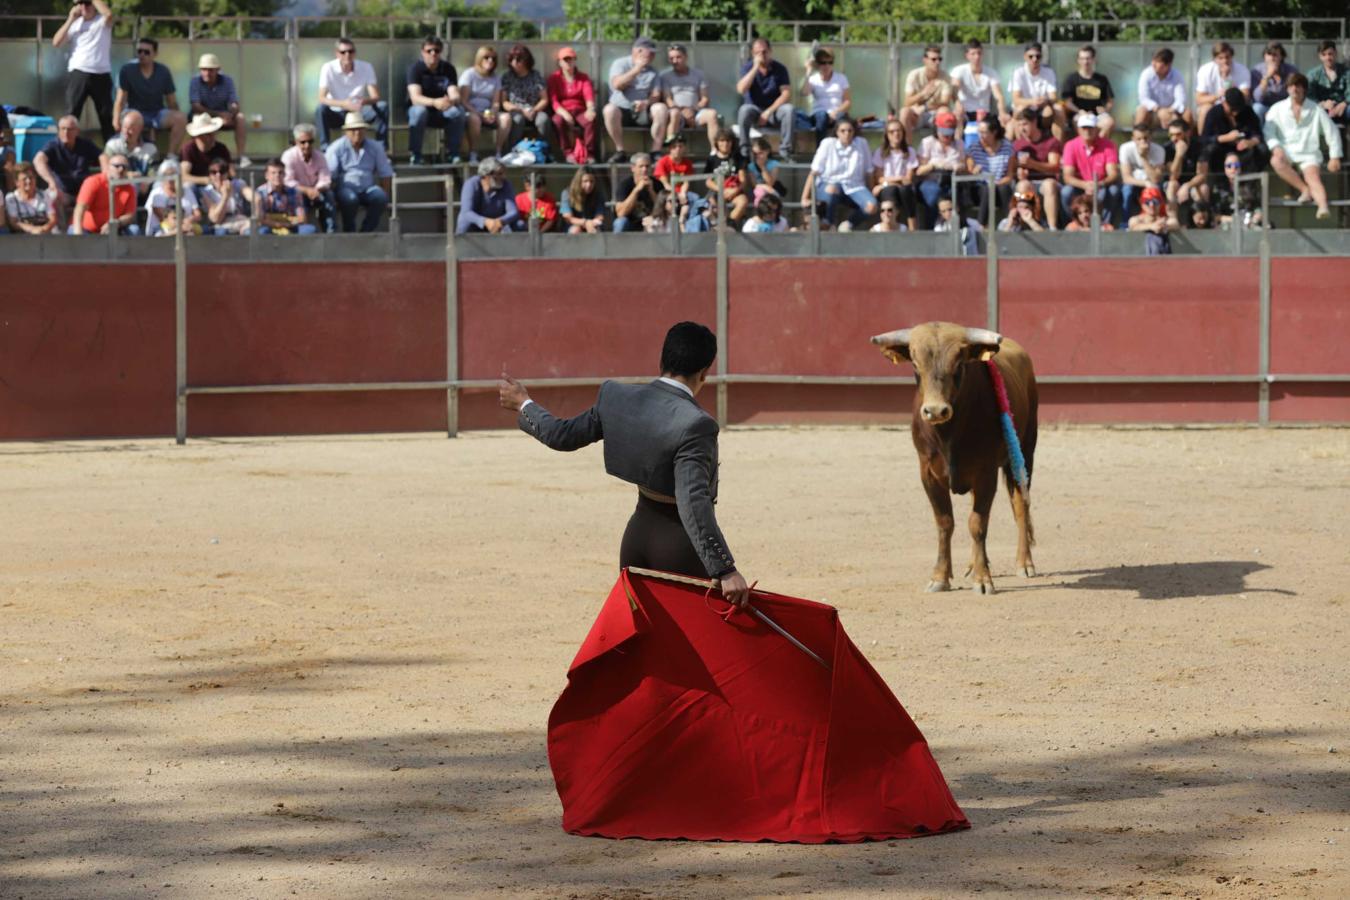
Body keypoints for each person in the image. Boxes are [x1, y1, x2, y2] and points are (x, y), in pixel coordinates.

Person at [498, 321, 750, 606]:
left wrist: (523, 403)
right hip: (678, 549)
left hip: (636, 541)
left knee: (642, 630)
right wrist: (724, 568)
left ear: (662, 360)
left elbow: (562, 435)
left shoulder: (615, 398)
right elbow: (692, 501)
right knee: (695, 632)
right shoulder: (697, 424)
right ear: (704, 372)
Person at [1264, 73, 1344, 220]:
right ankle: (1304, 190)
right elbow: (1269, 131)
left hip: (1309, 153)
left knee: (1312, 177)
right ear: (1287, 88)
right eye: (1291, 86)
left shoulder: (1316, 109)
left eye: (1298, 86)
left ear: (1304, 89)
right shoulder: (1277, 109)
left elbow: (1331, 131)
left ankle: (1323, 207)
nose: (1294, 89)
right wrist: (1276, 147)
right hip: (1286, 152)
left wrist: (1335, 157)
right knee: (1275, 161)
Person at [52, 0, 114, 141]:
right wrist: (70, 19)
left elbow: (109, 14)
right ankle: (65, 146)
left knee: (106, 116)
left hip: (101, 73)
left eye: (87, 3)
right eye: (81, 4)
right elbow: (56, 42)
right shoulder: (75, 24)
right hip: (79, 72)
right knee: (71, 114)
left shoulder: (102, 21)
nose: (84, 7)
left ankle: (110, 149)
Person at [800, 116, 875, 232]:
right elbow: (814, 172)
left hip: (855, 187)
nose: (847, 134)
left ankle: (848, 225)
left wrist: (871, 193)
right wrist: (804, 197)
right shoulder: (827, 144)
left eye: (850, 130)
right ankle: (829, 224)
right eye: (843, 131)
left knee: (871, 206)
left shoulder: (862, 144)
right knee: (832, 188)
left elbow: (869, 172)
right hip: (827, 185)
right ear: (837, 132)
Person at [114, 37, 186, 153]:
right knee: (133, 119)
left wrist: (177, 116)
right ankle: (129, 154)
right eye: (139, 51)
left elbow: (171, 101)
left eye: (146, 52)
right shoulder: (127, 70)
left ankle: (171, 156)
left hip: (157, 113)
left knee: (181, 118)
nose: (142, 55)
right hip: (134, 112)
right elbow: (120, 100)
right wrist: (116, 120)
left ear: (155, 54)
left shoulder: (163, 71)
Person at [324, 111, 393, 233]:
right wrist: (332, 196)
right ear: (346, 131)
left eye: (360, 129)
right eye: (353, 129)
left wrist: (386, 194)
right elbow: (329, 175)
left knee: (381, 197)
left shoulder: (375, 147)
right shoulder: (336, 148)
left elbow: (386, 173)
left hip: (368, 189)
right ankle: (349, 231)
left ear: (365, 130)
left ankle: (366, 231)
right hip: (345, 188)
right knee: (350, 199)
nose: (357, 132)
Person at [603, 37, 669, 162]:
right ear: (638, 51)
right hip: (622, 110)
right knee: (609, 110)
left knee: (661, 108)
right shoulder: (620, 64)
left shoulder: (653, 71)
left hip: (643, 111)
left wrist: (646, 103)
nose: (653, 56)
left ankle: (655, 151)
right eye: (650, 52)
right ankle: (620, 151)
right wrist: (637, 69)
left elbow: (656, 94)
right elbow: (617, 85)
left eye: (654, 53)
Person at [317, 37, 388, 149]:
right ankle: (325, 148)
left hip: (359, 110)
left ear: (355, 53)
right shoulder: (328, 68)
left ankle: (381, 148)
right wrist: (343, 104)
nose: (347, 55)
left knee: (382, 107)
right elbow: (321, 97)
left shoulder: (366, 67)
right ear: (337, 54)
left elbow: (375, 96)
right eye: (343, 52)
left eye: (350, 51)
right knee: (321, 109)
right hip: (337, 111)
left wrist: (362, 102)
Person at [406, 35, 464, 166]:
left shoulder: (448, 69)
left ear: (440, 52)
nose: (433, 53)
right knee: (419, 112)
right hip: (420, 110)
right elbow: (415, 98)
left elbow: (455, 94)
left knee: (458, 112)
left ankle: (453, 153)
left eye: (436, 50)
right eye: (429, 51)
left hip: (442, 111)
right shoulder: (415, 69)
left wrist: (450, 101)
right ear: (423, 52)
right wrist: (435, 102)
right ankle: (416, 155)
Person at [33, 115, 101, 222]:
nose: (66, 132)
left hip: (84, 191)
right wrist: (51, 181)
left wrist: (106, 173)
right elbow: (38, 160)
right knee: (52, 196)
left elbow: (102, 156)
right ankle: (61, 230)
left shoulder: (85, 144)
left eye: (70, 129)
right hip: (63, 192)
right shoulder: (53, 145)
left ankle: (93, 227)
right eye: (62, 129)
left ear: (77, 131)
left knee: (102, 195)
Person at [735, 38, 794, 158]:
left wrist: (768, 112)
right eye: (757, 53)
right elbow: (741, 89)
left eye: (764, 51)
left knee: (789, 109)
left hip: (773, 111)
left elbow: (786, 94)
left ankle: (785, 151)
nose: (762, 55)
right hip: (754, 110)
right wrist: (755, 68)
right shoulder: (748, 68)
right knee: (744, 110)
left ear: (770, 51)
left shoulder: (780, 68)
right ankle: (744, 151)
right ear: (753, 54)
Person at [1060, 112, 1121, 226]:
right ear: (1078, 130)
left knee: (1112, 191)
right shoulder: (1070, 145)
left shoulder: (1108, 145)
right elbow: (1067, 176)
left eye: (1090, 128)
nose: (1087, 131)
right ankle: (1073, 223)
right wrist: (1084, 185)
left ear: (1096, 129)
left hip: (1101, 184)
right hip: (1079, 186)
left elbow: (1113, 173)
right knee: (1066, 192)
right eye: (1084, 128)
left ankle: (1104, 224)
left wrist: (1099, 184)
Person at [190, 54, 251, 168]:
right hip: (204, 116)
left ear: (217, 70)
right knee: (196, 119)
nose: (207, 73)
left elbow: (234, 102)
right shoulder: (195, 81)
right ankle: (198, 155)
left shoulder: (227, 81)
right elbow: (196, 106)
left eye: (210, 70)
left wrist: (231, 113)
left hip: (223, 116)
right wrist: (219, 115)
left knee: (240, 118)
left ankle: (241, 156)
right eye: (204, 69)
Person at [1011, 107, 1062, 229]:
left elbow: (1055, 167)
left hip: (1047, 181)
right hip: (1028, 182)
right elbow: (1012, 169)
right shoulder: (1017, 144)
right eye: (1019, 125)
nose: (1022, 128)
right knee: (1022, 185)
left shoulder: (1051, 141)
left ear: (1034, 122)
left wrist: (1033, 164)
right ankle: (1024, 225)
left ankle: (1052, 227)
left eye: (1025, 124)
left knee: (1049, 185)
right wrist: (1018, 173)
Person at [660, 43, 719, 146]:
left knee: (712, 114)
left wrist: (692, 110)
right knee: (674, 114)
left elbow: (704, 98)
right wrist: (682, 112)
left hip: (696, 112)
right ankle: (672, 148)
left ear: (686, 57)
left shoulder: (699, 74)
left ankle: (715, 150)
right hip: (677, 112)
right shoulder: (665, 76)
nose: (675, 61)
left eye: (678, 57)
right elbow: (667, 99)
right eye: (671, 58)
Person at [281, 123, 335, 234]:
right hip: (298, 192)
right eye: (303, 142)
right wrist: (306, 190)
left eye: (310, 141)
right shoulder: (289, 156)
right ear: (296, 142)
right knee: (297, 195)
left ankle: (330, 232)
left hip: (317, 191)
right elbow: (287, 181)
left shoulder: (320, 156)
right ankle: (304, 231)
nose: (307, 145)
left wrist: (316, 190)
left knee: (329, 196)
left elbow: (325, 178)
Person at [498, 44, 550, 157]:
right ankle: (512, 152)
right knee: (517, 119)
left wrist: (534, 110)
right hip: (516, 110)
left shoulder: (536, 76)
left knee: (543, 120)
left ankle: (543, 152)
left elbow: (544, 99)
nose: (514, 63)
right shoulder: (507, 77)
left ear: (526, 60)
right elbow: (504, 102)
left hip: (534, 109)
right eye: (512, 59)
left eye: (518, 59)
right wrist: (521, 110)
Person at [916, 111, 965, 228]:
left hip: (951, 181)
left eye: (949, 133)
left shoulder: (959, 144)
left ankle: (956, 228)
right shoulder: (927, 142)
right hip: (930, 180)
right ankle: (930, 228)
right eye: (943, 132)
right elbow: (919, 171)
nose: (947, 136)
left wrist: (958, 167)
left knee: (956, 195)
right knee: (934, 194)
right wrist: (934, 165)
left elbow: (964, 166)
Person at [1202, 87, 1267, 175]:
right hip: (1221, 150)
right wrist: (1225, 138)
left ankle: (1249, 180)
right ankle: (1219, 180)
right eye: (1232, 109)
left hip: (1242, 150)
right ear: (1224, 103)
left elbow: (1258, 134)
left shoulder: (1248, 112)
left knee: (1262, 150)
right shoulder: (1214, 113)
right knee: (1209, 150)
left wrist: (1250, 142)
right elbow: (1205, 138)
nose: (1235, 113)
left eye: (1237, 110)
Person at [549, 47, 598, 164]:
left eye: (571, 59)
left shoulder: (583, 77)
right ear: (560, 62)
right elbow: (553, 101)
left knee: (590, 120)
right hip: (563, 110)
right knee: (557, 121)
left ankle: (589, 153)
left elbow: (589, 95)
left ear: (575, 60)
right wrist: (564, 114)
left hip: (580, 110)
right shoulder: (554, 78)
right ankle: (567, 152)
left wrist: (590, 109)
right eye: (565, 60)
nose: (568, 62)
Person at [950, 39, 1008, 135]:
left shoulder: (991, 73)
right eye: (973, 54)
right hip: (965, 112)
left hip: (983, 113)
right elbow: (954, 91)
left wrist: (1002, 112)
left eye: (979, 53)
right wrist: (958, 105)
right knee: (958, 115)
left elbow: (999, 96)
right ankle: (958, 142)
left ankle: (1003, 144)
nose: (977, 57)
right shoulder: (959, 70)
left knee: (1004, 120)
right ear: (967, 56)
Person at [71, 152, 138, 235]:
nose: (121, 169)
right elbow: (80, 208)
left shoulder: (129, 188)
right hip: (87, 230)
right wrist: (78, 233)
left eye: (124, 167)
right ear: (108, 167)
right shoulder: (93, 181)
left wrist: (116, 223)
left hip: (113, 230)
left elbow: (129, 215)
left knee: (134, 230)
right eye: (117, 166)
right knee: (73, 231)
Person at [964, 116, 1014, 225]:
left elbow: (1009, 176)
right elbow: (969, 171)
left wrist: (996, 183)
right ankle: (980, 225)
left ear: (994, 132)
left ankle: (1011, 222)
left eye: (984, 132)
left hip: (999, 186)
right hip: (980, 189)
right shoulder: (973, 148)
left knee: (1004, 189)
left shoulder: (1007, 147)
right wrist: (974, 172)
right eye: (979, 132)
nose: (980, 135)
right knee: (987, 189)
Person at [796, 47, 851, 147]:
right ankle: (821, 150)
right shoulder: (813, 79)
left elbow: (847, 102)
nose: (826, 66)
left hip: (837, 114)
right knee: (821, 116)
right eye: (823, 63)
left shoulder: (841, 78)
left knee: (842, 120)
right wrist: (808, 71)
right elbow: (804, 92)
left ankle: (842, 149)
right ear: (817, 64)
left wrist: (835, 112)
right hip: (819, 115)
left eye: (830, 62)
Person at [871, 118, 919, 231]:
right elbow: (879, 178)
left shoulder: (910, 151)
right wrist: (898, 179)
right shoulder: (880, 152)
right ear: (887, 135)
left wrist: (888, 182)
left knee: (905, 190)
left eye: (898, 131)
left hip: (902, 188)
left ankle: (912, 226)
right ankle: (889, 226)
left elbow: (908, 179)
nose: (896, 134)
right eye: (892, 132)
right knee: (890, 190)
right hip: (888, 188)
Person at [1195, 42, 1252, 136]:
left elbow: (1245, 96)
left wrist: (1229, 85)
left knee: (1245, 110)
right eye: (1220, 58)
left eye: (1227, 57)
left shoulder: (1242, 70)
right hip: (1213, 105)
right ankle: (1203, 140)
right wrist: (1216, 96)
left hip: (1234, 105)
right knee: (1204, 109)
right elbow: (1199, 99)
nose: (1225, 61)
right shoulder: (1205, 70)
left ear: (1232, 57)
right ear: (1214, 59)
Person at [1010, 42, 1064, 140]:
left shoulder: (1049, 72)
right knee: (1018, 111)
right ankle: (1021, 144)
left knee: (1058, 109)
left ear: (1041, 57)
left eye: (1038, 56)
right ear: (1025, 57)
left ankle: (1057, 144)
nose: (1034, 59)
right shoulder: (1018, 72)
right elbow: (1016, 100)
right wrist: (1033, 101)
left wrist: (1045, 101)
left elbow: (1053, 97)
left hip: (1042, 106)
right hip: (1026, 107)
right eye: (1031, 56)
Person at [1060, 45, 1115, 139]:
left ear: (1093, 59)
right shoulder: (1071, 79)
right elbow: (1067, 102)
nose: (1085, 62)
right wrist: (1080, 111)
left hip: (1097, 115)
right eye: (1082, 58)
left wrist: (1104, 110)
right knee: (1079, 122)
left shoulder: (1102, 79)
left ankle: (1098, 145)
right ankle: (1084, 146)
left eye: (1088, 58)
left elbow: (1110, 101)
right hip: (1079, 114)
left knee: (1109, 122)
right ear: (1078, 60)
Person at [459, 45, 502, 164]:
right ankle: (473, 153)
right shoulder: (469, 74)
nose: (490, 60)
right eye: (486, 57)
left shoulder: (496, 78)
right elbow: (463, 101)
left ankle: (498, 153)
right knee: (475, 119)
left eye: (493, 58)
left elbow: (496, 102)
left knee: (506, 118)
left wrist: (492, 113)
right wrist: (479, 114)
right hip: (471, 111)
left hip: (487, 111)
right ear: (479, 58)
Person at [455, 156, 520, 234]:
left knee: (519, 224)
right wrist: (485, 221)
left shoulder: (506, 185)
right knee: (465, 222)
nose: (503, 177)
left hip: (497, 224)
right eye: (499, 174)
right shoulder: (471, 184)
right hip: (475, 223)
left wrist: (500, 221)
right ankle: (460, 241)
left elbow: (513, 212)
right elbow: (467, 212)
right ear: (487, 175)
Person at [901, 44, 954, 135]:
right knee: (904, 112)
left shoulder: (945, 77)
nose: (937, 62)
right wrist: (922, 94)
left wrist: (925, 107)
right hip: (917, 114)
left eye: (940, 59)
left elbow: (945, 103)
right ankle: (905, 144)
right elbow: (907, 102)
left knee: (944, 111)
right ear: (925, 60)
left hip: (935, 114)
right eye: (933, 59)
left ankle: (942, 142)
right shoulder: (914, 75)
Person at [255, 157, 315, 235]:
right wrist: (280, 224)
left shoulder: (294, 192)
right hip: (269, 227)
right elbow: (260, 220)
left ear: (284, 174)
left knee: (310, 230)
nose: (277, 175)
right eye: (273, 173)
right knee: (261, 232)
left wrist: (288, 223)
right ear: (267, 175)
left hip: (290, 226)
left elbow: (302, 218)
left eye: (280, 173)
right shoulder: (260, 193)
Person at [178, 112, 232, 195]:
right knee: (187, 187)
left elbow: (231, 172)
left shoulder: (221, 148)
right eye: (209, 134)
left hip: (219, 187)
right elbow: (183, 176)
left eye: (214, 133)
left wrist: (220, 179)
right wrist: (206, 180)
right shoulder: (188, 149)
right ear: (199, 136)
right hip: (196, 189)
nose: (213, 136)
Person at [1135, 48, 1189, 130]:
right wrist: (1159, 109)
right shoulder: (1146, 74)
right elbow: (1144, 98)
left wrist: (1171, 110)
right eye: (1153, 60)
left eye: (1158, 62)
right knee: (1141, 111)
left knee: (1187, 114)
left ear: (1168, 65)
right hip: (1152, 111)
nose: (1153, 64)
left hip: (1171, 110)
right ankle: (1138, 136)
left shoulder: (1177, 75)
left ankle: (1187, 138)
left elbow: (1181, 98)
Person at [1119, 123, 1166, 218]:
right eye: (1139, 139)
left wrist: (1144, 157)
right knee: (1127, 190)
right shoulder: (1125, 148)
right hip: (1135, 182)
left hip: (1151, 182)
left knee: (1155, 190)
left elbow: (1155, 179)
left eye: (1146, 138)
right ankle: (1125, 221)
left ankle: (1157, 218)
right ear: (1133, 139)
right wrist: (1145, 183)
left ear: (1151, 137)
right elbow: (1126, 178)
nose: (1143, 141)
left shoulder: (1159, 150)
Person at [703, 129, 749, 226]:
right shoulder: (711, 160)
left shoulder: (738, 158)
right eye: (722, 140)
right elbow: (708, 181)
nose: (725, 144)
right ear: (717, 142)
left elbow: (743, 180)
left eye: (728, 141)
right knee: (714, 203)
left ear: (732, 142)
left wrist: (734, 191)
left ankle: (728, 226)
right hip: (717, 191)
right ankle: (723, 227)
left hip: (735, 191)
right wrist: (721, 189)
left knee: (743, 201)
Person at [144, 159, 201, 236]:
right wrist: (181, 227)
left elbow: (197, 214)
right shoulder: (156, 193)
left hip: (185, 226)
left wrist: (189, 220)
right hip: (162, 229)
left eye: (173, 174)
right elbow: (162, 217)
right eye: (166, 175)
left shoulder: (187, 191)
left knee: (192, 232)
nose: (170, 178)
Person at [4, 163, 59, 235]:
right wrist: (33, 229)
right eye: (24, 179)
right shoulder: (11, 198)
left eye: (31, 177)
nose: (28, 181)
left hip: (44, 235)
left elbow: (52, 218)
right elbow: (13, 222)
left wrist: (44, 229)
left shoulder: (44, 195)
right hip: (21, 237)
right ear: (17, 182)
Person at [1164, 117, 1208, 207]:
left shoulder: (1199, 147)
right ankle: (1172, 215)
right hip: (1175, 183)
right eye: (1171, 135)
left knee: (1204, 188)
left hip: (1193, 183)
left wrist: (1187, 186)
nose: (1174, 139)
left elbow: (1202, 175)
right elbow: (1173, 177)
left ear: (1188, 133)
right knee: (1172, 185)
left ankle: (1202, 215)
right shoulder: (1168, 148)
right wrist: (1178, 156)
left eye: (1178, 134)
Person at [100, 109, 159, 178]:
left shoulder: (151, 149)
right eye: (125, 127)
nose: (126, 132)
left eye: (131, 129)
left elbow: (154, 174)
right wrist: (126, 175)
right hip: (119, 183)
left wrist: (144, 180)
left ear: (140, 129)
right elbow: (108, 173)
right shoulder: (113, 145)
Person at [199, 160, 251, 235]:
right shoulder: (207, 192)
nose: (218, 175)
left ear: (227, 174)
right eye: (214, 172)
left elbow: (253, 197)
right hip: (218, 225)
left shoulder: (236, 185)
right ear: (209, 175)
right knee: (222, 232)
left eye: (222, 171)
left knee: (250, 231)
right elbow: (215, 219)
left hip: (238, 222)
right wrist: (225, 196)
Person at [614, 152, 663, 232]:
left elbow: (664, 210)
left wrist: (651, 191)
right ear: (633, 168)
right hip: (630, 223)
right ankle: (616, 241)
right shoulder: (624, 185)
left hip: (651, 222)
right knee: (620, 222)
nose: (644, 169)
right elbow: (620, 213)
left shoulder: (657, 184)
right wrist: (636, 190)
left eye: (647, 166)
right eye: (641, 166)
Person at [1251, 41, 1298, 122]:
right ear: (1264, 56)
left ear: (1281, 57)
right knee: (1257, 108)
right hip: (1265, 105)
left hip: (1284, 105)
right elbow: (1257, 98)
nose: (1272, 58)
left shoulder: (1291, 70)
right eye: (1269, 54)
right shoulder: (1256, 71)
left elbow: (1294, 93)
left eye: (1275, 55)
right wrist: (1267, 76)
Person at [1308, 40, 1349, 127]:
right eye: (1324, 55)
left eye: (1330, 54)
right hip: (1322, 109)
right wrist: (1323, 104)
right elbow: (1309, 96)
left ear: (1336, 53)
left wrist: (1344, 103)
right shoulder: (1313, 75)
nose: (1328, 58)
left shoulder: (1346, 72)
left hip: (1343, 108)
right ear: (1320, 56)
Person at [1127, 185, 1177, 254]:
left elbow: (1175, 223)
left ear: (1161, 203)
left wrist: (1164, 226)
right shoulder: (1137, 219)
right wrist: (1151, 226)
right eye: (1147, 202)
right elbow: (1133, 225)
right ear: (1142, 204)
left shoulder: (1166, 219)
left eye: (1155, 201)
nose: (1151, 205)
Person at [560, 165, 606, 233]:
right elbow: (568, 218)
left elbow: (600, 216)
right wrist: (585, 222)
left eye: (591, 181)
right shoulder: (567, 193)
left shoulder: (598, 194)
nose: (589, 185)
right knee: (576, 230)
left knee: (596, 230)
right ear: (579, 181)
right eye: (585, 181)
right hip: (572, 227)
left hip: (592, 225)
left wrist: (591, 224)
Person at [654, 133, 695, 199]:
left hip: (683, 193)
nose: (677, 149)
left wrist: (682, 194)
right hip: (666, 195)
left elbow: (686, 182)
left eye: (680, 146)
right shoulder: (662, 162)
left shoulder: (688, 163)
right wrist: (676, 196)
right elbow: (665, 184)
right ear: (669, 148)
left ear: (684, 148)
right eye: (674, 146)